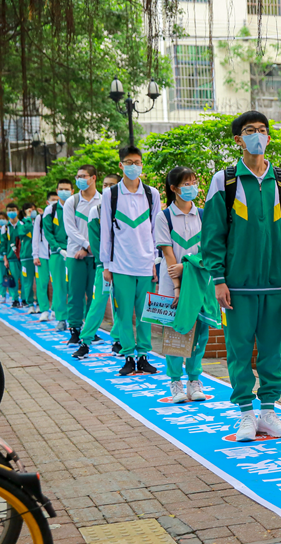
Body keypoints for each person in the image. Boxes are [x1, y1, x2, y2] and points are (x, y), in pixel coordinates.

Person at [201, 111, 281, 441]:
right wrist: (218, 278)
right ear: (238, 140)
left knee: (272, 351)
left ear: (268, 138)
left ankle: (269, 413)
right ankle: (245, 414)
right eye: (249, 131)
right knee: (239, 350)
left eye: (261, 130)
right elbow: (212, 234)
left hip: (275, 285)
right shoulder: (224, 181)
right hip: (237, 287)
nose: (256, 135)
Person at [100, 147, 161, 376]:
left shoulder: (151, 194)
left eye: (137, 162)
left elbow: (157, 229)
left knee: (146, 313)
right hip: (120, 266)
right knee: (123, 314)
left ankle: (144, 356)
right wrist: (106, 265)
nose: (134, 166)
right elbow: (106, 230)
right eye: (129, 162)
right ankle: (128, 356)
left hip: (146, 265)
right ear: (121, 165)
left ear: (142, 165)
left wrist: (156, 261)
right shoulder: (111, 194)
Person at [153, 166, 209, 402]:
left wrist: (187, 267)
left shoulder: (204, 215)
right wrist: (176, 286)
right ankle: (175, 382)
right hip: (171, 284)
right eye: (186, 184)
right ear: (174, 188)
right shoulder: (163, 217)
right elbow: (168, 255)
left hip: (198, 283)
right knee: (175, 332)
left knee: (201, 332)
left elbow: (209, 251)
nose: (191, 187)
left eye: (194, 182)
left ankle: (194, 381)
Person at [74, 174, 122, 358]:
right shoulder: (97, 210)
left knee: (121, 304)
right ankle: (85, 341)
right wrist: (104, 265)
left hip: (124, 266)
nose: (108, 188)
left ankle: (118, 341)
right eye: (105, 185)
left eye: (112, 185)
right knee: (98, 303)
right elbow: (95, 242)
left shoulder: (128, 209)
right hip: (104, 267)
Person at [63, 164, 102, 346]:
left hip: (96, 256)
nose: (79, 179)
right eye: (77, 176)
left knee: (94, 294)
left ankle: (91, 330)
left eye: (83, 176)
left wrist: (89, 249)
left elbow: (103, 229)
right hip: (75, 255)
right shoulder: (73, 201)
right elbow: (70, 229)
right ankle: (75, 329)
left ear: (93, 178)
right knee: (75, 294)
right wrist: (86, 245)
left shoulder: (103, 201)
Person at [43, 179, 73, 330]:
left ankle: (78, 320)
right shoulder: (51, 210)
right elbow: (48, 233)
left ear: (72, 191)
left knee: (76, 288)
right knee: (59, 287)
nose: (64, 192)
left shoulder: (76, 206)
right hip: (57, 254)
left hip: (75, 252)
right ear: (57, 191)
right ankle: (61, 319)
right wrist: (58, 248)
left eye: (67, 189)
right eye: (61, 189)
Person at [34, 191, 58, 320]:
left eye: (57, 199)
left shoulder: (61, 215)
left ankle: (54, 308)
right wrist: (35, 255)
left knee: (57, 283)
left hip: (56, 255)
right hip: (42, 256)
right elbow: (36, 238)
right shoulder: (40, 218)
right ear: (47, 203)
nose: (55, 201)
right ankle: (44, 310)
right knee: (42, 283)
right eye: (52, 200)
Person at [17, 202, 38, 311]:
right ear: (24, 211)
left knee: (40, 281)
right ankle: (30, 304)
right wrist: (29, 219)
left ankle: (39, 303)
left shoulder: (39, 220)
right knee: (28, 281)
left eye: (33, 209)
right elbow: (23, 231)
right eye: (29, 209)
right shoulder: (21, 223)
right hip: (26, 257)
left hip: (39, 256)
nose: (31, 210)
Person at [3, 203, 22, 307]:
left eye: (13, 210)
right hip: (11, 258)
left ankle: (24, 299)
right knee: (13, 279)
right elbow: (3, 244)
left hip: (23, 258)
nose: (11, 212)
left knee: (24, 280)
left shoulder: (23, 225)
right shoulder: (5, 228)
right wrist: (5, 259)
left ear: (17, 211)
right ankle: (15, 299)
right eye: (9, 210)